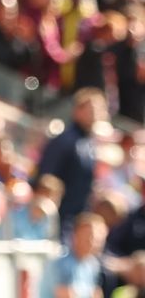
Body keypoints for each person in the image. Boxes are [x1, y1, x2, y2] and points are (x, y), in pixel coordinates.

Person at [35, 87, 108, 241]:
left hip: (74, 219)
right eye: (93, 109)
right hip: (56, 217)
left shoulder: (89, 144)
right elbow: (46, 178)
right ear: (77, 111)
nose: (97, 114)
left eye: (101, 109)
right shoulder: (64, 141)